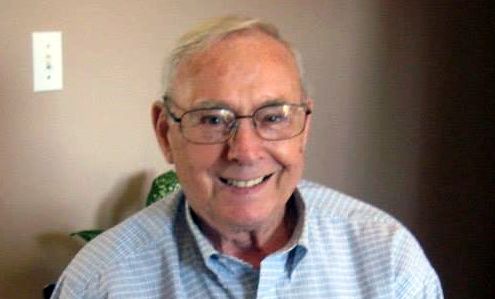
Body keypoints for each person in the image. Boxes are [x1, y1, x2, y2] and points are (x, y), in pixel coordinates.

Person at [51, 15, 443, 298]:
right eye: (212, 119)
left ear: (304, 128)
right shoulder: (99, 281)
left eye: (272, 117)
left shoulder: (389, 259)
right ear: (165, 133)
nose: (245, 151)